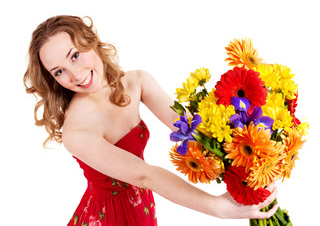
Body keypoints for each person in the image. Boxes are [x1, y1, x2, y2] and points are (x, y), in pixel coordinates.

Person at [24, 15, 279, 226]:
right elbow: (145, 175)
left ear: (89, 41)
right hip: (107, 217)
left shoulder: (137, 82)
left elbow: (191, 129)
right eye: (59, 71)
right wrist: (219, 208)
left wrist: (250, 161)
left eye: (75, 55)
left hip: (142, 205)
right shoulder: (76, 132)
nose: (75, 74)